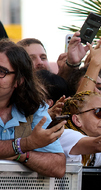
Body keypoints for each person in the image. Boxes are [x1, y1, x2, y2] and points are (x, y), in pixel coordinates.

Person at [0, 39, 66, 178]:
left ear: (19, 80)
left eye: (1, 71)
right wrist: (26, 143)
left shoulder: (35, 109)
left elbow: (58, 167)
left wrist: (19, 155)